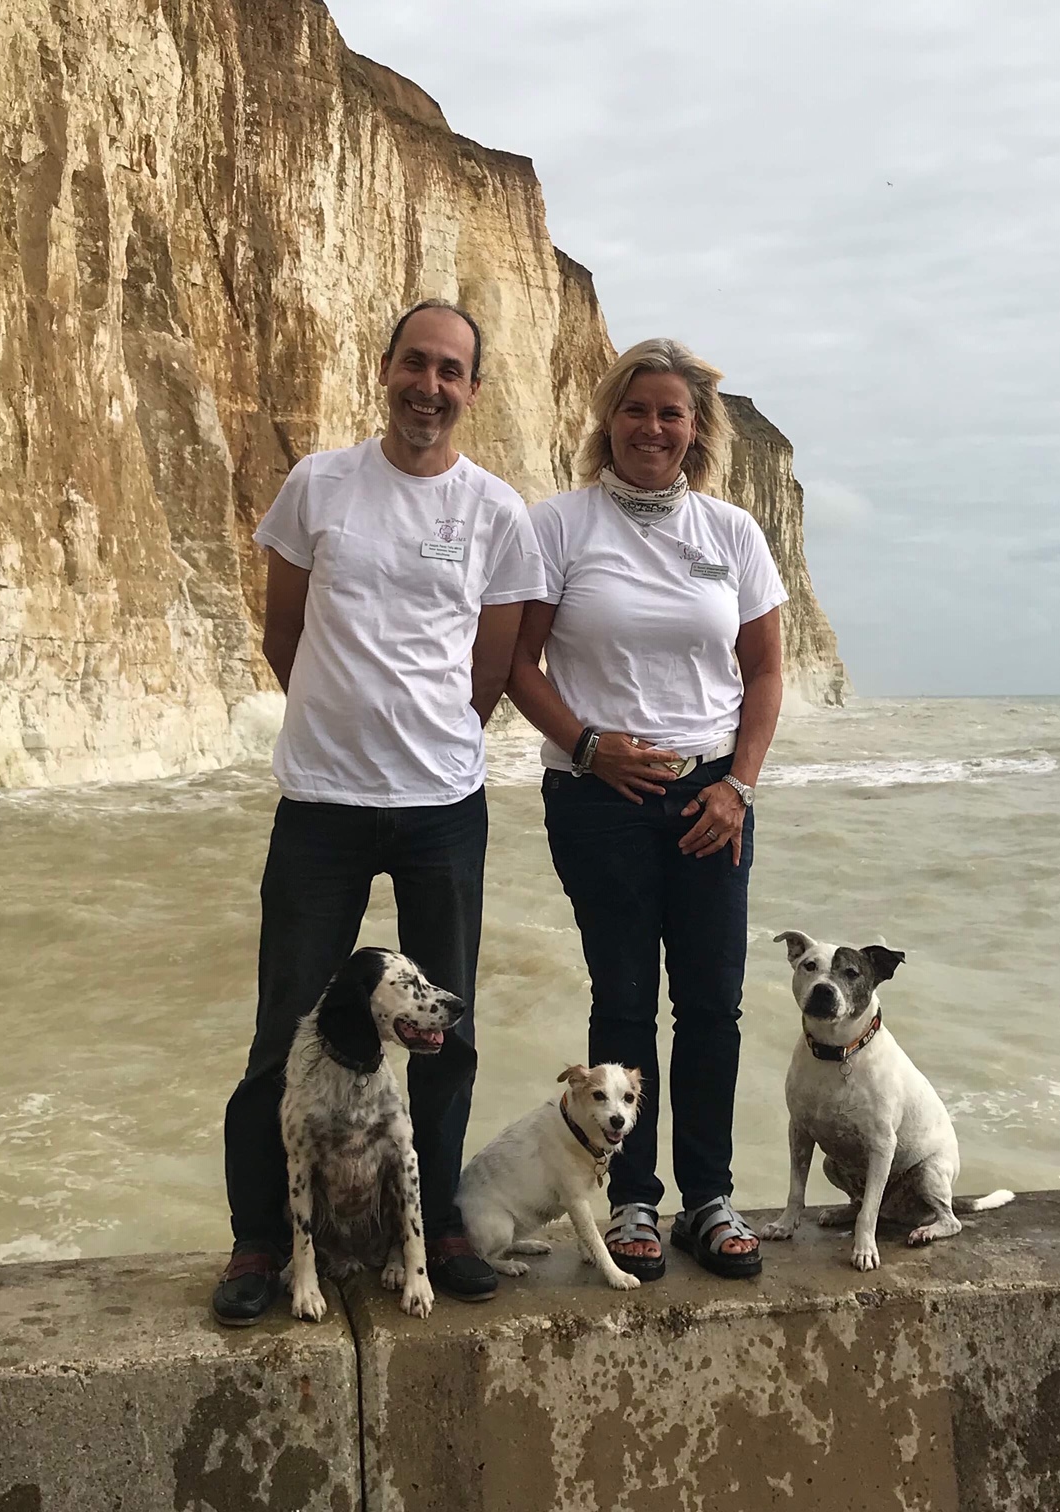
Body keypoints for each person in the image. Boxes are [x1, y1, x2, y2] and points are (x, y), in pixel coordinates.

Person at [212, 300, 546, 1324]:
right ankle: (261, 1239)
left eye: (450, 371)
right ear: (386, 368)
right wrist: (340, 726)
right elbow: (283, 633)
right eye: (415, 363)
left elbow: (492, 664)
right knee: (286, 1029)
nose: (428, 387)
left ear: (473, 391)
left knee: (447, 1029)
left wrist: (431, 739)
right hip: (321, 802)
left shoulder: (496, 513)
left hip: (442, 805)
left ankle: (435, 1225)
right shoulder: (319, 485)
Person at [506, 338, 786, 1280]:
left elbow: (765, 671)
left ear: (696, 429)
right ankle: (630, 1202)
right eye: (636, 410)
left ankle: (709, 1199)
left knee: (712, 1004)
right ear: (609, 420)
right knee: (623, 999)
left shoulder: (732, 534)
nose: (653, 428)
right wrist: (588, 746)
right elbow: (516, 663)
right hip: (598, 798)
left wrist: (739, 785)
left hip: (713, 796)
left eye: (672, 413)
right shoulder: (558, 526)